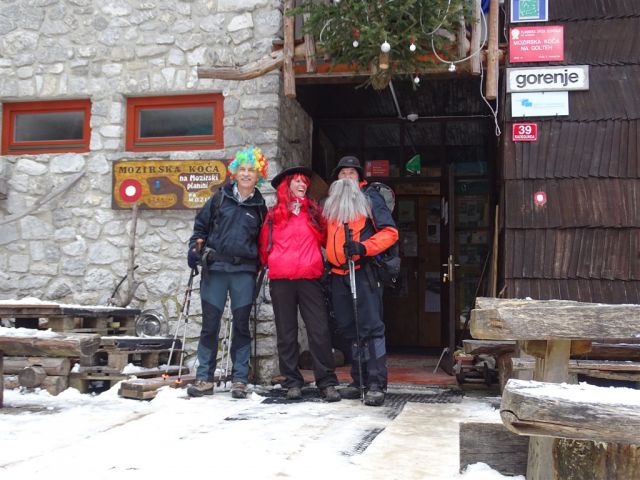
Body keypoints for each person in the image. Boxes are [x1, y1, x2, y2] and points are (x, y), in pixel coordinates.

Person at [187, 146, 268, 399]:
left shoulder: (260, 207)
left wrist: (263, 264)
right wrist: (194, 248)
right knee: (210, 325)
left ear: (258, 176)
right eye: (242, 169)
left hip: (244, 271)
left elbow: (265, 241)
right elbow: (200, 228)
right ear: (234, 172)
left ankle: (240, 379)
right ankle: (204, 379)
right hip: (216, 270)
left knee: (241, 325)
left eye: (251, 171)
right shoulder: (219, 198)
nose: (246, 174)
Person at [258, 166, 341, 402]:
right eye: (296, 181)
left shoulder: (314, 213)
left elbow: (328, 240)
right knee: (286, 333)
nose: (302, 184)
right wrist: (273, 263)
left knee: (319, 330)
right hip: (281, 280)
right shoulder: (273, 216)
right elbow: (264, 246)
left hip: (309, 278)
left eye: (304, 181)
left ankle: (327, 382)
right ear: (287, 186)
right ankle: (292, 381)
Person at [323, 155, 398, 406]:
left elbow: (390, 233)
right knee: (349, 329)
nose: (346, 178)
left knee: (370, 328)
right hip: (337, 274)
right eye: (342, 173)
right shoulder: (331, 205)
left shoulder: (370, 199)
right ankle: (358, 381)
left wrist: (363, 248)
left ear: (359, 178)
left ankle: (376, 383)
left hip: (362, 271)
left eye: (351, 174)